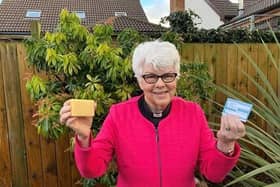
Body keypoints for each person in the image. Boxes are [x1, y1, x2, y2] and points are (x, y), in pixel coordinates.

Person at [59, 40, 246, 187]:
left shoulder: (193, 113)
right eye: (150, 77)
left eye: (167, 76)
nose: (160, 84)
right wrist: (83, 138)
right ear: (139, 80)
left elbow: (213, 174)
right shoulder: (119, 115)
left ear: (176, 78)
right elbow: (92, 169)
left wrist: (226, 143)